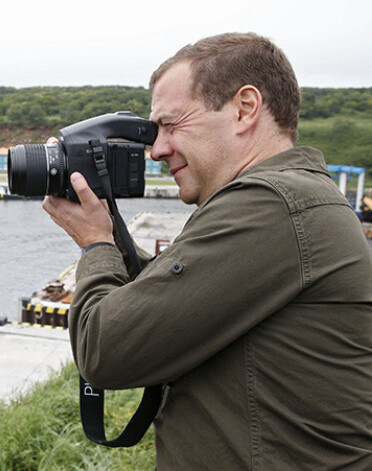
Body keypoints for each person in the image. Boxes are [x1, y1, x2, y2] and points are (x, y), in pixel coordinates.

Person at [42, 32, 372, 469]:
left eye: (171, 124)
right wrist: (105, 228)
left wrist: (96, 244)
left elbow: (105, 351)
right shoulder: (289, 200)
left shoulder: (272, 206)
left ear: (244, 109)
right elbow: (172, 298)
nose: (157, 149)